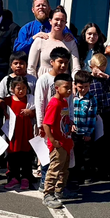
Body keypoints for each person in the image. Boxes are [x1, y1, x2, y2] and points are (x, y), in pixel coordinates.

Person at [34, 46, 72, 187]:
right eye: (60, 62)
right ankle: (45, 183)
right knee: (47, 155)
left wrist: (71, 120)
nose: (63, 65)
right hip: (48, 125)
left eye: (66, 63)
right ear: (52, 62)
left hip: (62, 126)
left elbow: (70, 102)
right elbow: (39, 102)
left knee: (60, 156)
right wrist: (40, 125)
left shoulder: (67, 80)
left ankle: (59, 186)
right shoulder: (44, 79)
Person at [42, 73, 75, 209]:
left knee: (64, 169)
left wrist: (71, 123)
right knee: (55, 168)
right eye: (66, 88)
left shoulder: (64, 102)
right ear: (57, 88)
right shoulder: (54, 103)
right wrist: (52, 140)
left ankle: (59, 190)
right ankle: (48, 194)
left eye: (70, 88)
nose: (69, 91)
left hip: (65, 140)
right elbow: (46, 124)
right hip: (58, 142)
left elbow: (64, 119)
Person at [87, 53, 110, 180]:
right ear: (91, 67)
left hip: (106, 112)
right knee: (93, 142)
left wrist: (107, 77)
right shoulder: (88, 79)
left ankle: (104, 169)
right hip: (93, 114)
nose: (100, 72)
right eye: (98, 70)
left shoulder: (106, 79)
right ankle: (91, 169)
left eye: (103, 69)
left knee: (106, 141)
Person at [2, 76, 36, 191]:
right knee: (13, 155)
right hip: (13, 133)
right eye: (18, 88)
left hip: (26, 132)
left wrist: (30, 112)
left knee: (26, 155)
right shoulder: (8, 100)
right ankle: (14, 177)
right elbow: (0, 103)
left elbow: (34, 114)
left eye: (23, 88)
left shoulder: (30, 99)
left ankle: (26, 177)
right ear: (12, 89)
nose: (21, 91)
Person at [27, 6, 82, 77]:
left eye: (62, 20)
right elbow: (31, 68)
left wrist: (76, 82)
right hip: (43, 84)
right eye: (56, 19)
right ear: (50, 21)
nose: (59, 23)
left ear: (65, 23)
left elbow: (75, 68)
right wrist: (33, 85)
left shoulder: (70, 42)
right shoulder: (40, 40)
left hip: (63, 83)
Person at [70, 71, 99, 184]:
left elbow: (92, 118)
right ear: (75, 85)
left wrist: (88, 133)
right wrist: (71, 125)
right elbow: (70, 114)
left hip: (86, 132)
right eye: (80, 87)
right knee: (76, 154)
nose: (83, 89)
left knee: (87, 155)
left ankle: (88, 174)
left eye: (86, 86)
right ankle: (77, 176)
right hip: (75, 131)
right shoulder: (73, 98)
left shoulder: (91, 99)